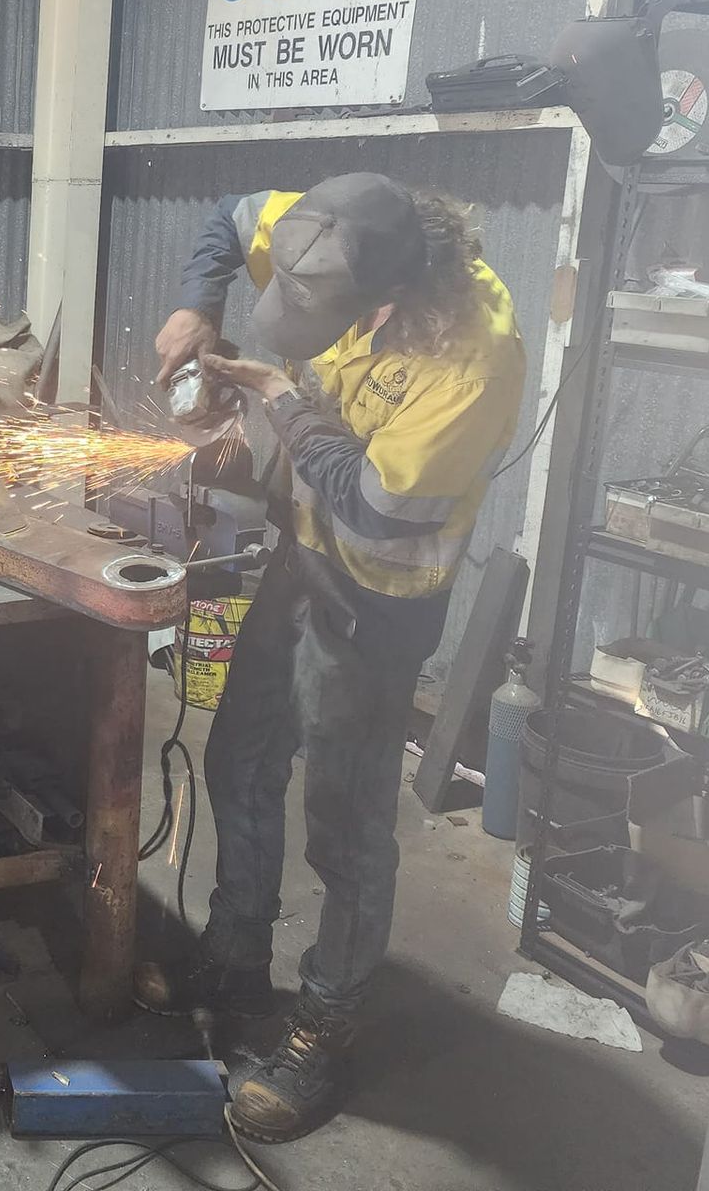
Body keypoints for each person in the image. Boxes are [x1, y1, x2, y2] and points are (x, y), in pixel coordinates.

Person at [137, 172, 526, 1143]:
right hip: (303, 556)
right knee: (241, 758)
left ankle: (325, 1025)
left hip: (380, 600)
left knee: (345, 824)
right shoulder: (329, 228)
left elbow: (373, 506)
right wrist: (199, 303)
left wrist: (278, 399)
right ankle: (234, 956)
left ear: (384, 304)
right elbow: (226, 215)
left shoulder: (472, 365)